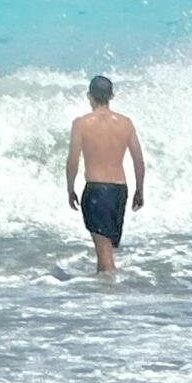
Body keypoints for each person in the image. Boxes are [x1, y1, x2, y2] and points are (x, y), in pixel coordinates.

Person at [63, 75, 146, 276]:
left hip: (97, 191)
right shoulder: (125, 123)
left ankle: (108, 298)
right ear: (112, 96)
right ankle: (108, 294)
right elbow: (138, 161)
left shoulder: (81, 123)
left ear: (89, 96)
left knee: (104, 255)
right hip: (120, 190)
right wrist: (139, 190)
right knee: (107, 248)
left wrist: (70, 189)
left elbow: (72, 161)